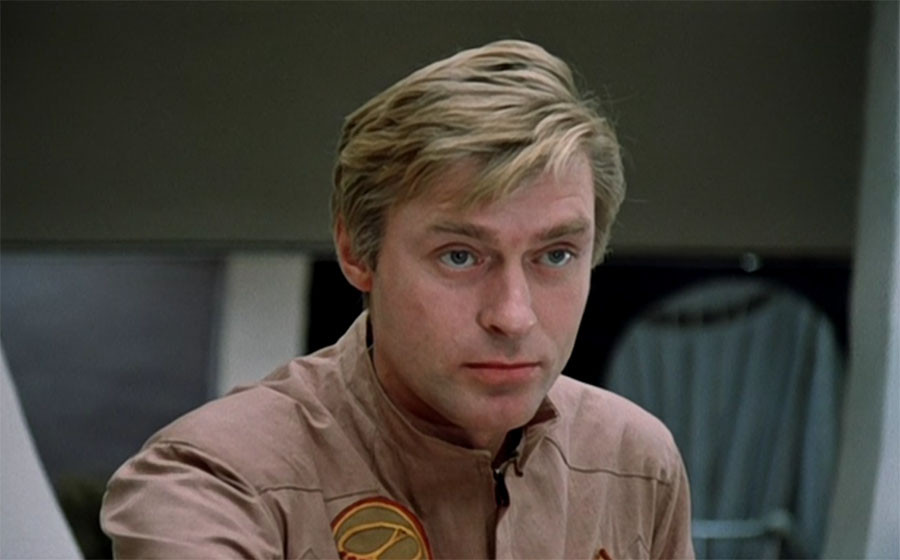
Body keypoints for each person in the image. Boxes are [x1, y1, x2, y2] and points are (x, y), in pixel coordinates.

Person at [101, 39, 694, 559]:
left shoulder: (634, 463)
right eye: (460, 256)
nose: (513, 316)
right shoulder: (213, 479)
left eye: (556, 255)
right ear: (357, 252)